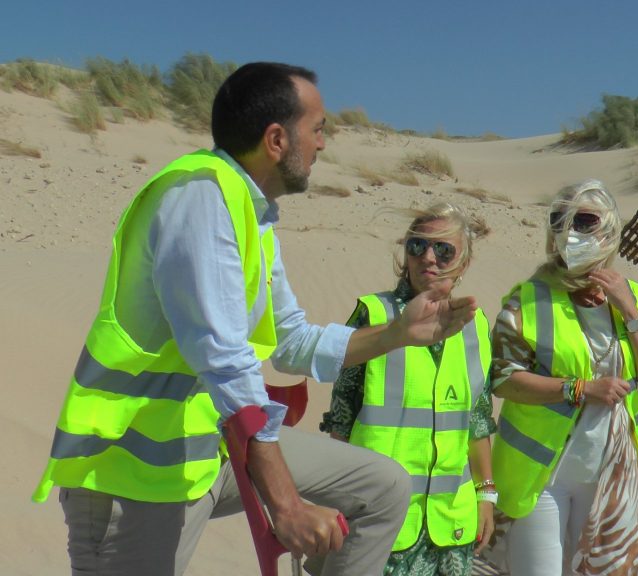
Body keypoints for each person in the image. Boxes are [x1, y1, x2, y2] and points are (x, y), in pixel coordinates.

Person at [32, 62, 480, 576]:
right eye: (317, 130)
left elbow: (291, 341)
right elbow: (224, 359)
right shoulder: (199, 197)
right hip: (130, 479)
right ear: (275, 139)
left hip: (208, 451)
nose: (322, 146)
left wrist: (399, 333)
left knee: (381, 488)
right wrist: (285, 504)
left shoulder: (253, 214)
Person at [488, 180, 638, 575]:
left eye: (585, 220)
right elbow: (503, 379)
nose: (570, 231)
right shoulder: (527, 299)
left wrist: (629, 310)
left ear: (609, 229)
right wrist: (578, 389)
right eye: (560, 220)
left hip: (612, 474)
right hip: (539, 476)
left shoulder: (634, 299)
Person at [319, 202, 495, 575]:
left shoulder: (476, 327)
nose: (428, 257)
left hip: (451, 529)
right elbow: (341, 420)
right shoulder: (375, 316)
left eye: (443, 249)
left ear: (463, 263)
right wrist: (330, 503)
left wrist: (486, 496)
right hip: (381, 522)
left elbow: (477, 423)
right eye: (417, 246)